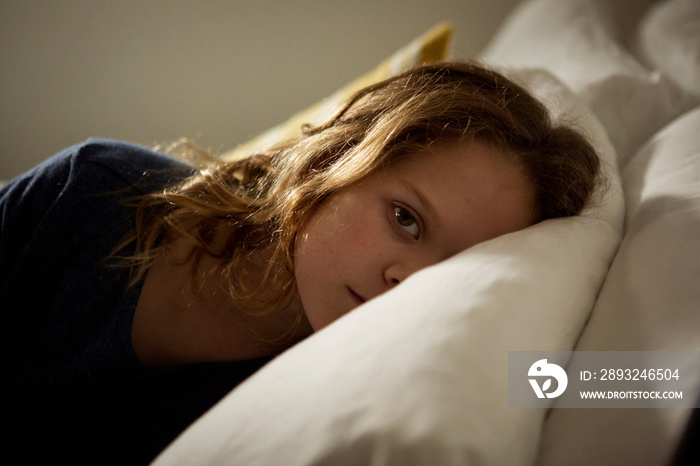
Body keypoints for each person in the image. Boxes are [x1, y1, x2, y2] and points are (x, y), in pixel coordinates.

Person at [1, 61, 600, 464]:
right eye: (406, 219)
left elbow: (617, 381)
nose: (407, 281)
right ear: (331, 163)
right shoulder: (93, 193)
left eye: (453, 270)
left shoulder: (330, 398)